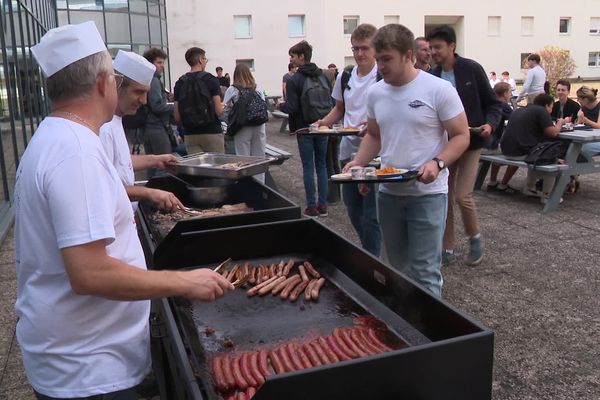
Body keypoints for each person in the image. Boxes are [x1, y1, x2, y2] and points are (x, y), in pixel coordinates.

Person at [16, 21, 233, 399]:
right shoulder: (75, 152)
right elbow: (90, 273)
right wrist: (185, 282)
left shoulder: (59, 137)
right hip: (90, 371)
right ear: (104, 82)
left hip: (80, 357)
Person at [345, 24, 470, 296]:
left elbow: (461, 136)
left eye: (387, 59)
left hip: (427, 194)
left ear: (408, 55)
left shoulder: (438, 89)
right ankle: (401, 327)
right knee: (394, 269)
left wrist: (437, 163)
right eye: (378, 59)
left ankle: (432, 333)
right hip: (388, 193)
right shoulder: (376, 93)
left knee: (425, 272)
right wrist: (359, 163)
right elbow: (375, 136)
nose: (381, 66)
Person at [429, 25, 502, 267]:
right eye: (431, 48)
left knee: (462, 196)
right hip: (447, 144)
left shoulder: (471, 69)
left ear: (452, 46)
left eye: (438, 47)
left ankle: (475, 238)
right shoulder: (433, 75)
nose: (433, 52)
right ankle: (447, 247)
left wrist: (490, 125)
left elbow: (494, 104)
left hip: (471, 141)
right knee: (444, 196)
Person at [318, 23, 381, 256]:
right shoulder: (345, 76)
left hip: (375, 153)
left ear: (375, 48)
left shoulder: (383, 76)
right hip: (348, 151)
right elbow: (339, 109)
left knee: (372, 215)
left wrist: (375, 127)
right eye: (355, 49)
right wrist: (321, 123)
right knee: (353, 210)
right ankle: (371, 253)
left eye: (364, 48)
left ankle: (373, 261)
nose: (359, 54)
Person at [100, 50, 183, 212]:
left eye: (146, 93)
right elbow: (103, 187)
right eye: (138, 92)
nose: (144, 101)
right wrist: (147, 193)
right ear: (116, 84)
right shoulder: (103, 127)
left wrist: (156, 160)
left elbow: (120, 161)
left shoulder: (116, 120)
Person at [276, 40, 334, 217]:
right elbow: (331, 102)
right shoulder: (324, 76)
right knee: (322, 165)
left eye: (293, 56)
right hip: (322, 124)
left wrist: (280, 106)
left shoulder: (295, 79)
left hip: (304, 127)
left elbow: (292, 107)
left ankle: (311, 207)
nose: (291, 60)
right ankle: (323, 205)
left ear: (301, 56)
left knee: (308, 166)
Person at [500, 94, 567, 203]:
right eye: (551, 107)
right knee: (551, 160)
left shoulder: (520, 110)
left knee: (538, 152)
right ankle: (547, 196)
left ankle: (530, 188)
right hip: (520, 152)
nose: (551, 110)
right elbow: (553, 133)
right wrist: (560, 123)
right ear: (546, 105)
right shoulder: (541, 111)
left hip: (507, 150)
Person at [174, 47, 225, 154]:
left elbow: (177, 116)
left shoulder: (180, 83)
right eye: (205, 59)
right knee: (217, 167)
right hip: (212, 132)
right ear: (201, 60)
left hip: (190, 134)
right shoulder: (211, 79)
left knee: (198, 169)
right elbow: (218, 111)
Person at [223, 63, 267, 182]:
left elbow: (225, 110)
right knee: (259, 159)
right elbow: (263, 106)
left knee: (243, 160)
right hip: (259, 125)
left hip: (242, 127)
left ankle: (247, 186)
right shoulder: (258, 88)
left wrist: (231, 122)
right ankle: (260, 188)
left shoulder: (232, 90)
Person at [141, 47, 174, 175]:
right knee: (163, 164)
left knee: (152, 165)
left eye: (163, 63)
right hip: (157, 127)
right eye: (159, 63)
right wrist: (173, 107)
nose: (162, 66)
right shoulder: (154, 80)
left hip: (148, 127)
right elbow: (156, 106)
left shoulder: (148, 79)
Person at [484, 82, 514, 191]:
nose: (510, 94)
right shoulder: (502, 104)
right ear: (505, 93)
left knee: (500, 148)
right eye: (510, 92)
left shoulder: (488, 102)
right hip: (490, 145)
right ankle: (503, 184)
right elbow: (515, 118)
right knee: (518, 152)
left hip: (482, 143)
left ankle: (492, 181)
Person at [577, 86, 600, 160]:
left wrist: (586, 120)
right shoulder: (583, 107)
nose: (577, 100)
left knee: (582, 148)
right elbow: (578, 126)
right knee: (573, 146)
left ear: (586, 100)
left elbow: (599, 126)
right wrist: (579, 119)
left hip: (597, 140)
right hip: (588, 137)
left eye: (579, 98)